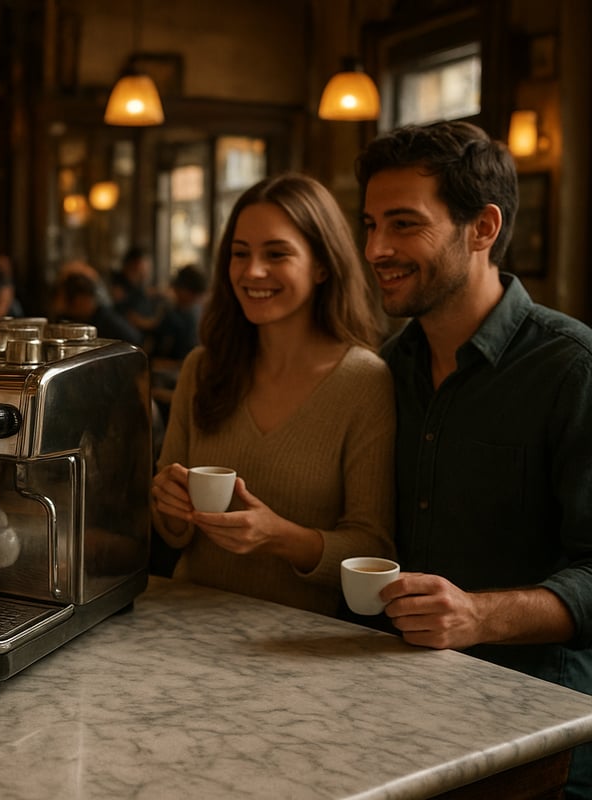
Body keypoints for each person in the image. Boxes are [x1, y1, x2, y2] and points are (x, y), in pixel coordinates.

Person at [357, 121, 592, 798]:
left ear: (482, 228)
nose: (377, 248)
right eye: (370, 224)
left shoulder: (569, 366)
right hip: (392, 709)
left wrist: (480, 615)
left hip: (539, 729)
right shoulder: (382, 370)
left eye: (404, 224)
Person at [150, 173, 395, 615]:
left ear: (322, 265)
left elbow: (372, 545)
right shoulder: (202, 368)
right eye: (239, 254)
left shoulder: (364, 381)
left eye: (276, 254)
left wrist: (278, 536)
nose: (252, 271)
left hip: (297, 641)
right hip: (182, 621)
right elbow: (173, 533)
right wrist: (166, 501)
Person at [52, 266, 143, 346]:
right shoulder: (73, 319)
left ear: (83, 298)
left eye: (70, 302)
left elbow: (134, 340)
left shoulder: (105, 319)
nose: (65, 308)